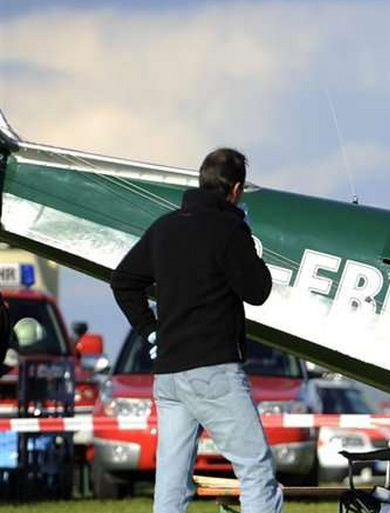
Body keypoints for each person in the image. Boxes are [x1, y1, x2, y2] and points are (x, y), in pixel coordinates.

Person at [110, 148, 279, 513]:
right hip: (214, 370)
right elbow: (258, 291)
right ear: (235, 189)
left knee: (171, 484)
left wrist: (150, 330)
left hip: (169, 373)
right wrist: (246, 239)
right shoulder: (230, 229)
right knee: (255, 471)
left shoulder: (164, 227)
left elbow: (123, 280)